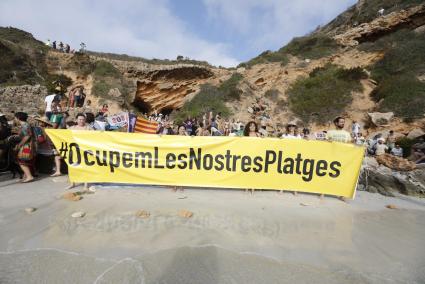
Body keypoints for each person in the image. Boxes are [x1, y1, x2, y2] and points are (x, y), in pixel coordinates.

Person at [325, 116, 352, 201]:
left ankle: (341, 195)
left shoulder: (347, 134)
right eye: (341, 122)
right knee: (327, 175)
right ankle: (323, 191)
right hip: (331, 157)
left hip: (343, 158)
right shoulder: (330, 132)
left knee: (342, 176)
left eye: (343, 122)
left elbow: (350, 145)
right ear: (336, 123)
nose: (342, 123)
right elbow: (324, 144)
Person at [66, 114, 92, 191]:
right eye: (80, 119)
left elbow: (95, 136)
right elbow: (63, 135)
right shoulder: (72, 128)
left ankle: (86, 185)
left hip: (85, 151)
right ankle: (72, 183)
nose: (81, 121)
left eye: (83, 119)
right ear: (76, 120)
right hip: (74, 151)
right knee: (72, 167)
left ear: (85, 120)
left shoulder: (88, 128)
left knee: (85, 168)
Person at [14, 112, 35, 183]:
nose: (15, 119)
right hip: (27, 145)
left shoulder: (25, 125)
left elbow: (27, 136)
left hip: (26, 146)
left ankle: (29, 176)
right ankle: (25, 176)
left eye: (15, 118)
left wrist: (19, 144)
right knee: (25, 160)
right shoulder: (25, 125)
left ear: (18, 118)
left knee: (22, 161)